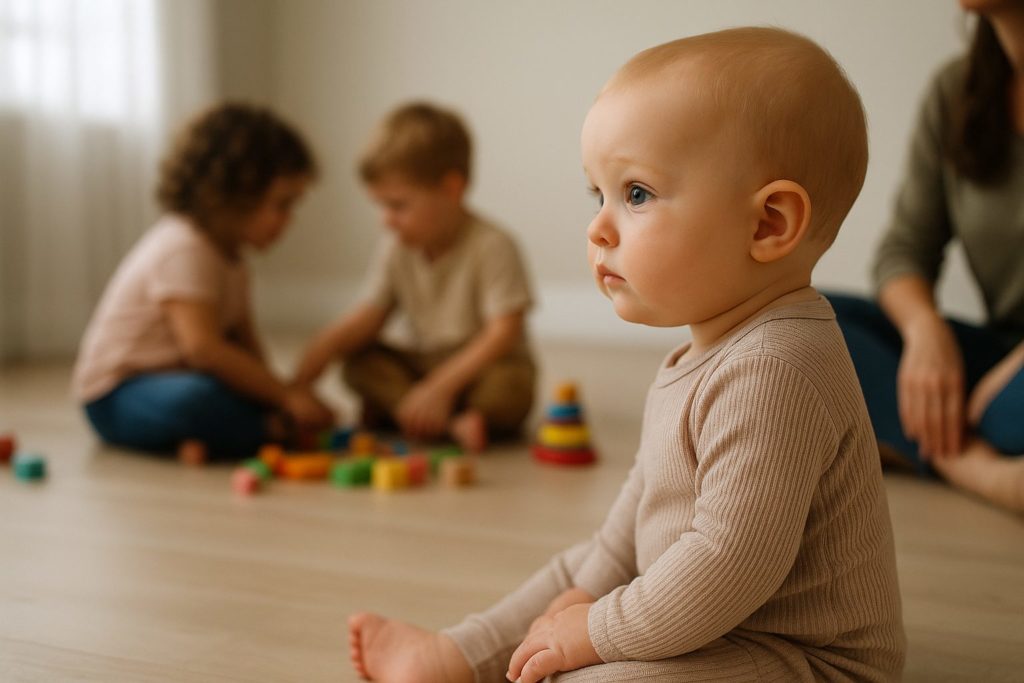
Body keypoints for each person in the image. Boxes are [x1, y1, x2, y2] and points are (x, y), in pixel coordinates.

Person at [346, 27, 905, 682]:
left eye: (636, 193)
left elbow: (726, 565)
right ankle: (455, 656)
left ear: (768, 224)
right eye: (599, 195)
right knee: (580, 570)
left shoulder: (777, 368)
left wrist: (595, 631)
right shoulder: (702, 354)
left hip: (802, 658)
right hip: (712, 624)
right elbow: (633, 520)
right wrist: (585, 598)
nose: (598, 227)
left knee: (595, 668)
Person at [828, 1, 1024, 513]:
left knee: (1008, 410)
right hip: (1001, 352)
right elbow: (904, 249)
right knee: (806, 322)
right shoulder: (956, 91)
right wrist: (924, 331)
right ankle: (973, 460)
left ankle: (941, 447)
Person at [72, 103, 334, 462]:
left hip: (183, 380)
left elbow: (246, 346)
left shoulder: (234, 260)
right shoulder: (184, 247)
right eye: (282, 205)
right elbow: (203, 349)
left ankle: (213, 438)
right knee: (197, 398)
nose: (289, 221)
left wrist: (278, 394)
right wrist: (286, 397)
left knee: (235, 390)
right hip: (117, 396)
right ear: (235, 194)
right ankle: (260, 431)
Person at [292, 102, 536, 453]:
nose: (386, 220)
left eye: (397, 205)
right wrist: (312, 365)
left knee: (512, 386)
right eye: (380, 206)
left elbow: (504, 332)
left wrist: (441, 387)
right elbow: (367, 319)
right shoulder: (396, 246)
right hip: (422, 365)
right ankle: (434, 417)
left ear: (451, 189)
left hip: (477, 369)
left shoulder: (493, 245)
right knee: (359, 362)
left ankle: (440, 414)